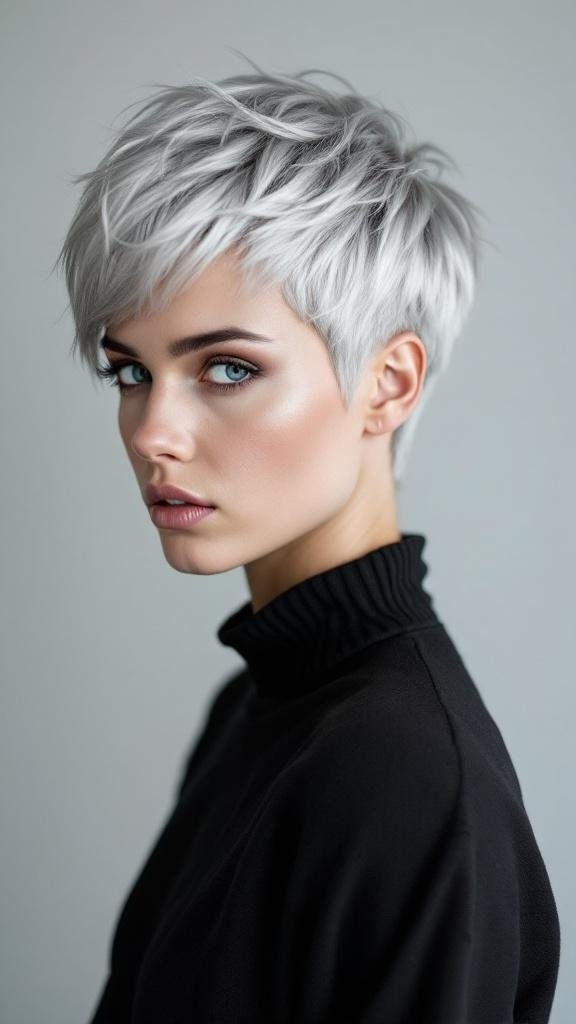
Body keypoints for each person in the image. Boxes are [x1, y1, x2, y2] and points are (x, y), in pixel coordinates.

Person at [55, 58, 560, 1024]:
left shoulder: (411, 777)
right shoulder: (257, 701)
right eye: (130, 372)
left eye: (228, 367)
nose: (154, 430)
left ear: (389, 384)